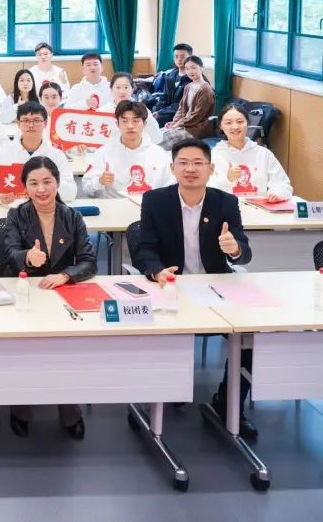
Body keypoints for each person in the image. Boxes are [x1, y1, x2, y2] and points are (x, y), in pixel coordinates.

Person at [133, 139, 255, 438]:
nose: (190, 169)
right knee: (160, 329)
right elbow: (144, 248)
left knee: (252, 335)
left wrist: (234, 248)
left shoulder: (225, 202)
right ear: (172, 168)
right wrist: (156, 271)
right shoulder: (155, 201)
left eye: (198, 163)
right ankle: (163, 392)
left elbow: (244, 251)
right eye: (183, 163)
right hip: (171, 287)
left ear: (211, 169)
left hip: (215, 288)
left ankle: (227, 402)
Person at [5, 156, 96, 440]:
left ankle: (70, 410)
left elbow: (88, 261)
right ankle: (21, 409)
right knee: (27, 352)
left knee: (64, 352)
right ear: (25, 187)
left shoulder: (72, 217)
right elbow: (10, 254)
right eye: (34, 183)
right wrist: (27, 258)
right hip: (28, 293)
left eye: (47, 182)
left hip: (62, 295)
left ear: (57, 183)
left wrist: (66, 275)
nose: (41, 189)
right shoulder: (16, 215)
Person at [81, 101, 173, 199]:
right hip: (115, 206)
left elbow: (170, 186)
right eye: (124, 121)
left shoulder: (159, 154)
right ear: (117, 124)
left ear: (144, 124)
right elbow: (86, 188)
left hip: (150, 206)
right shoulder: (103, 152)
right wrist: (99, 181)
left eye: (135, 121)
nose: (130, 126)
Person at [0, 102, 77, 203]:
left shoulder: (57, 155)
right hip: (11, 208)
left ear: (45, 123)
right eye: (26, 120)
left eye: (36, 120)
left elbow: (71, 192)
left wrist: (48, 181)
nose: (31, 125)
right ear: (18, 123)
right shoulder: (2, 152)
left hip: (45, 209)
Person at [209, 103, 292, 201]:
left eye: (240, 122)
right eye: (228, 123)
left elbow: (281, 183)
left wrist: (276, 194)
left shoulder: (263, 154)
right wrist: (227, 179)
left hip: (259, 207)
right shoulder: (215, 154)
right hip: (227, 207)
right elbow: (207, 190)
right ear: (220, 126)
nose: (235, 127)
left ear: (247, 123)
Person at [163, 55, 214, 140]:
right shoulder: (188, 87)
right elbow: (181, 107)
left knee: (164, 138)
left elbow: (197, 115)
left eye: (193, 68)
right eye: (187, 69)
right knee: (159, 134)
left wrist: (179, 123)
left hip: (196, 128)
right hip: (184, 124)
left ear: (201, 68)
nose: (190, 71)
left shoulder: (206, 90)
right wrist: (174, 122)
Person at [101, 73, 160, 144]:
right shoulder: (103, 111)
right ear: (111, 89)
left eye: (126, 87)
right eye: (118, 87)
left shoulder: (141, 110)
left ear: (132, 89)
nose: (122, 91)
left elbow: (156, 136)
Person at [147, 43, 194, 126]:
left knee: (157, 120)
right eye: (176, 56)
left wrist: (161, 112)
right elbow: (164, 97)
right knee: (147, 113)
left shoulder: (193, 78)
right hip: (167, 110)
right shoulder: (170, 75)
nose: (179, 59)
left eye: (182, 57)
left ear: (190, 57)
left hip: (181, 113)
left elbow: (184, 104)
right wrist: (157, 110)